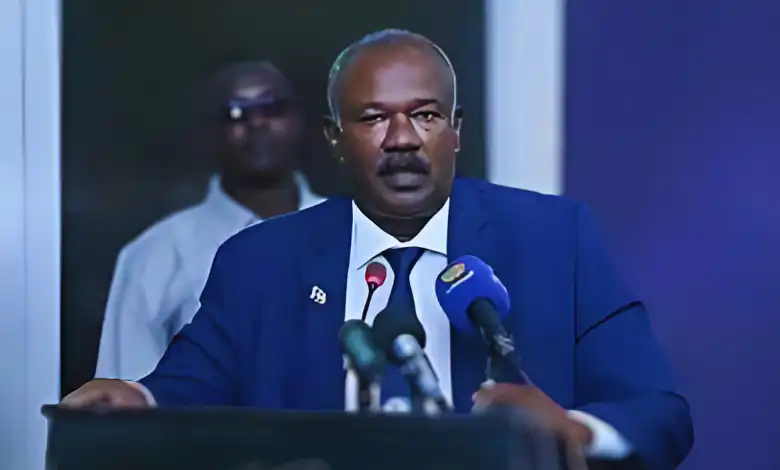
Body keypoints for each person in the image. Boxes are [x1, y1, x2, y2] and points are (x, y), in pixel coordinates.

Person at [66, 30, 693, 470]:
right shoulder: (259, 260)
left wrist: (572, 429)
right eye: (372, 118)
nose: (401, 139)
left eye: (425, 115)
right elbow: (185, 387)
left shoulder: (556, 239)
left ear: (456, 131)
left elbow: (659, 416)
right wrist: (136, 399)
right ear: (335, 139)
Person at [94, 61, 324, 381]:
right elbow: (126, 395)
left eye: (272, 108)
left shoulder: (354, 232)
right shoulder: (156, 254)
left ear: (300, 121)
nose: (257, 123)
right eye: (235, 113)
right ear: (209, 134)